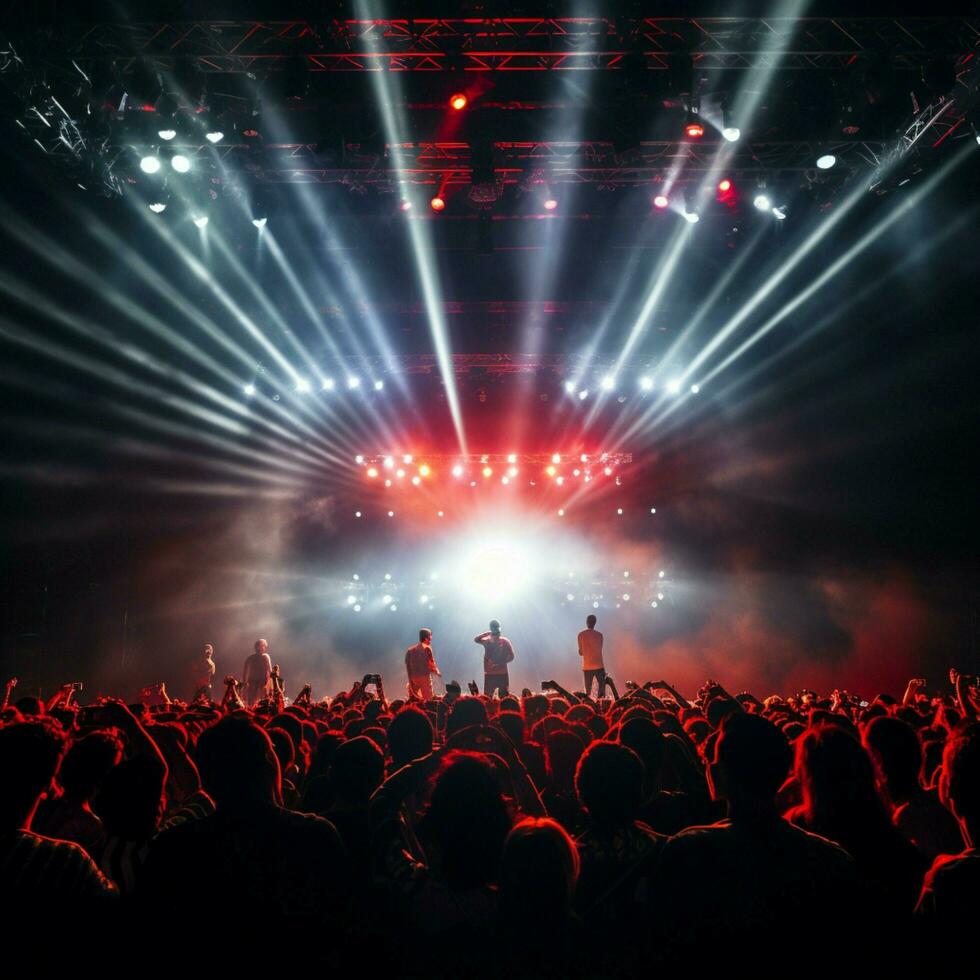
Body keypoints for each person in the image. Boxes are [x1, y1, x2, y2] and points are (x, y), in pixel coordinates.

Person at [474, 620, 514, 696]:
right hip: (490, 674)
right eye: (495, 634)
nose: (496, 636)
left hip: (501, 673)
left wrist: (501, 663)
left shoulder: (505, 641)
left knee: (503, 696)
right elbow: (476, 640)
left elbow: (512, 656)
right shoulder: (487, 641)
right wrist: (486, 634)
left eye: (497, 634)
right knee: (488, 697)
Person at [405, 628, 441, 700]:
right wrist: (437, 671)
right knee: (428, 699)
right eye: (430, 637)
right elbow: (431, 663)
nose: (431, 639)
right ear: (426, 638)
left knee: (414, 700)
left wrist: (410, 680)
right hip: (424, 677)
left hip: (413, 678)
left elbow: (408, 666)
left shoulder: (410, 650)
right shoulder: (427, 648)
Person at [577, 614, 605, 697]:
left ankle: (588, 705)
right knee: (602, 687)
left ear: (586, 622)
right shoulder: (600, 635)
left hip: (587, 666)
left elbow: (581, 653)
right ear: (595, 623)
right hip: (599, 665)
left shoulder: (580, 635)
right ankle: (600, 704)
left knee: (588, 691)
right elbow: (600, 649)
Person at [242, 638, 272, 708]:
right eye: (260, 646)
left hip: (262, 682)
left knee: (258, 700)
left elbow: (270, 670)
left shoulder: (264, 657)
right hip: (255, 681)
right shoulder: (252, 658)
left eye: (263, 646)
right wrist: (244, 682)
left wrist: (270, 683)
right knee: (254, 700)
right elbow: (245, 670)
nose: (261, 648)